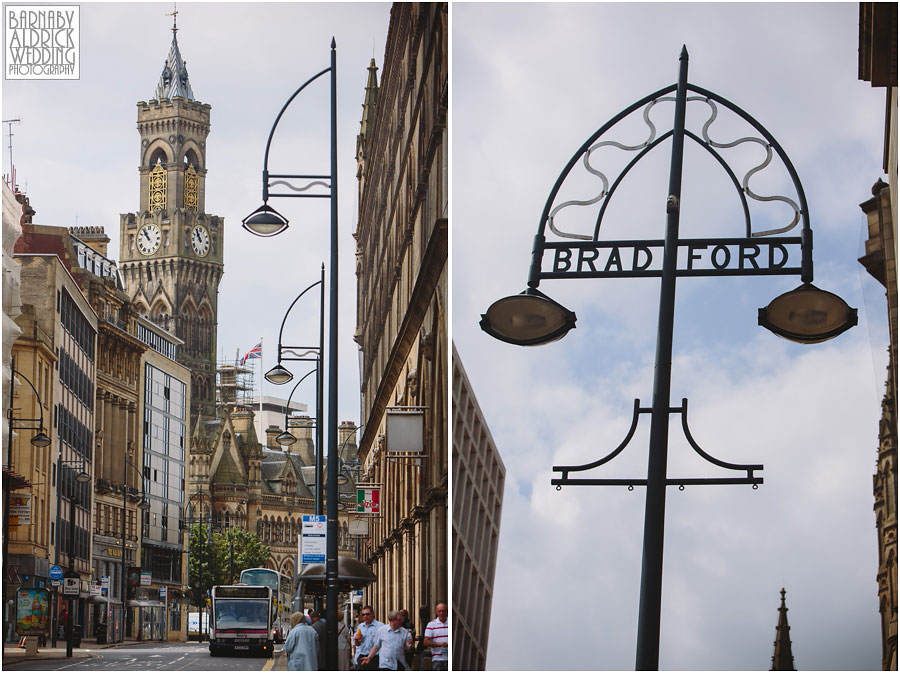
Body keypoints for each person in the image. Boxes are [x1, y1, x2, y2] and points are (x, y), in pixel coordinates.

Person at [423, 602, 448, 670]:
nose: (441, 613)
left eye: (443, 611)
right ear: (436, 612)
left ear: (447, 611)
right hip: (438, 659)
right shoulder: (431, 625)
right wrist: (438, 644)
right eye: (439, 611)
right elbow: (426, 642)